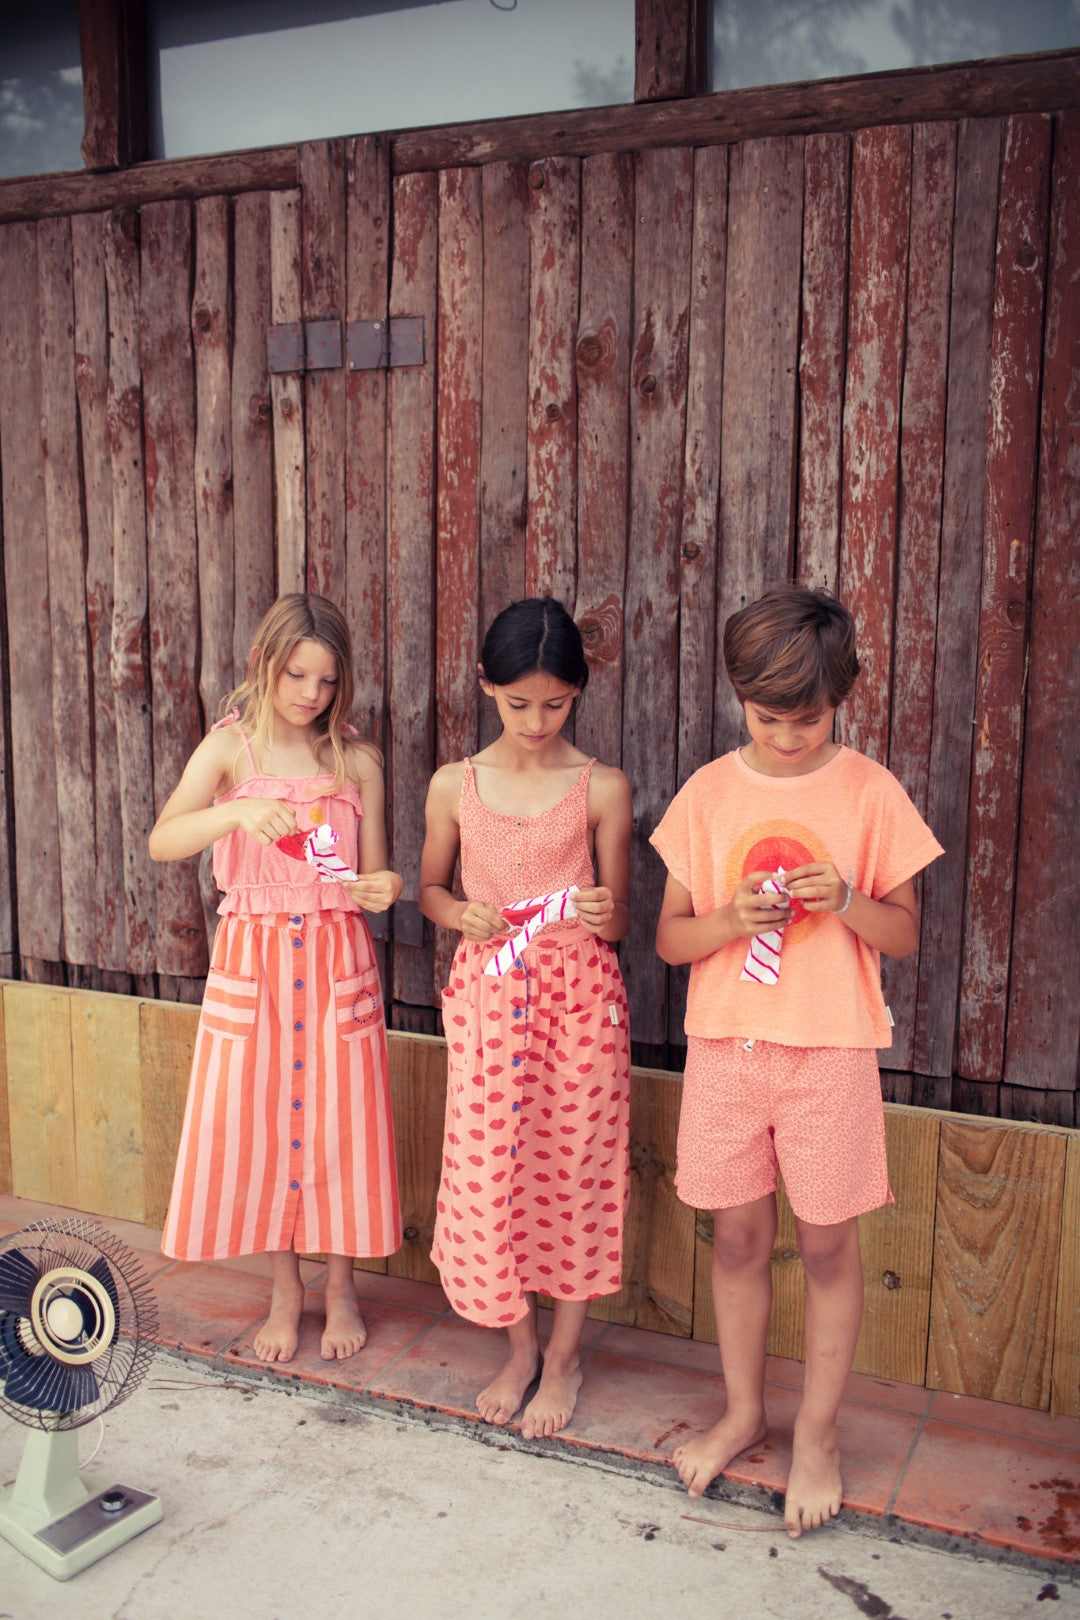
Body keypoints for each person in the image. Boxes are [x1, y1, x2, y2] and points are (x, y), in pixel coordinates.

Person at [651, 585, 942, 1538]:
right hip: (728, 1052)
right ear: (740, 696)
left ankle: (816, 1432)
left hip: (830, 1053)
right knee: (735, 1239)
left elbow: (901, 934)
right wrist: (733, 918)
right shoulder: (707, 792)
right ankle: (744, 1411)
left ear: (842, 700)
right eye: (768, 717)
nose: (785, 737)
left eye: (807, 719)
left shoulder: (868, 790)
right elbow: (669, 942)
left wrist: (849, 899)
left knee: (826, 1244)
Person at [150, 593, 403, 1364]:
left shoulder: (355, 762)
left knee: (340, 1121)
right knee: (266, 1123)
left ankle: (343, 1285)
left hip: (336, 955)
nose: (310, 695)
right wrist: (234, 816)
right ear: (265, 663)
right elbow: (165, 839)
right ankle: (286, 1289)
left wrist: (380, 888)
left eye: (326, 682)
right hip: (254, 962)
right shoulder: (232, 752)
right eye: (297, 675)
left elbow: (378, 870)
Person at [419, 597, 632, 1440]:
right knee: (489, 1170)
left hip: (580, 1001)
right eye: (517, 703)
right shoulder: (455, 784)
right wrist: (456, 916)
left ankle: (567, 1355)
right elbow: (433, 887)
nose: (536, 720)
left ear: (578, 692)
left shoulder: (601, 787)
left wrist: (598, 906)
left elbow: (619, 923)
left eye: (554, 702)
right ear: (486, 688)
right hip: (488, 1000)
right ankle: (519, 1346)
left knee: (574, 1167)